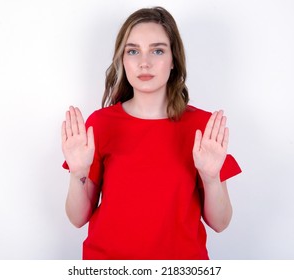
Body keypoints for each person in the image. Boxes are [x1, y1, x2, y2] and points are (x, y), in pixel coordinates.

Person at [61, 6, 241, 260]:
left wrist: (211, 179)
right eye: (133, 51)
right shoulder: (100, 124)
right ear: (122, 60)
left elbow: (221, 223)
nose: (144, 62)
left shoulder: (203, 126)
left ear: (173, 60)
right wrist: (78, 173)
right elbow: (77, 218)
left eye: (157, 50)